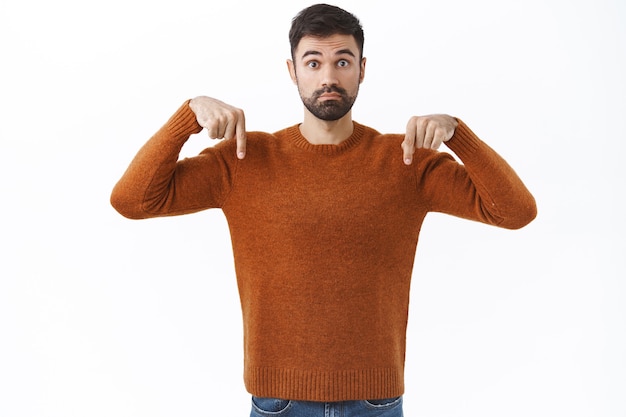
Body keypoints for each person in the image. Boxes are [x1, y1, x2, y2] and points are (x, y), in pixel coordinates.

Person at [110, 3, 537, 416]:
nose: (328, 77)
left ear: (362, 70)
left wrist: (458, 135)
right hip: (277, 402)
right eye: (313, 62)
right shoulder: (243, 158)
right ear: (292, 71)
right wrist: (186, 118)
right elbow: (132, 200)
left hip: (376, 402)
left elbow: (514, 211)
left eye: (343, 62)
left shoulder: (405, 160)